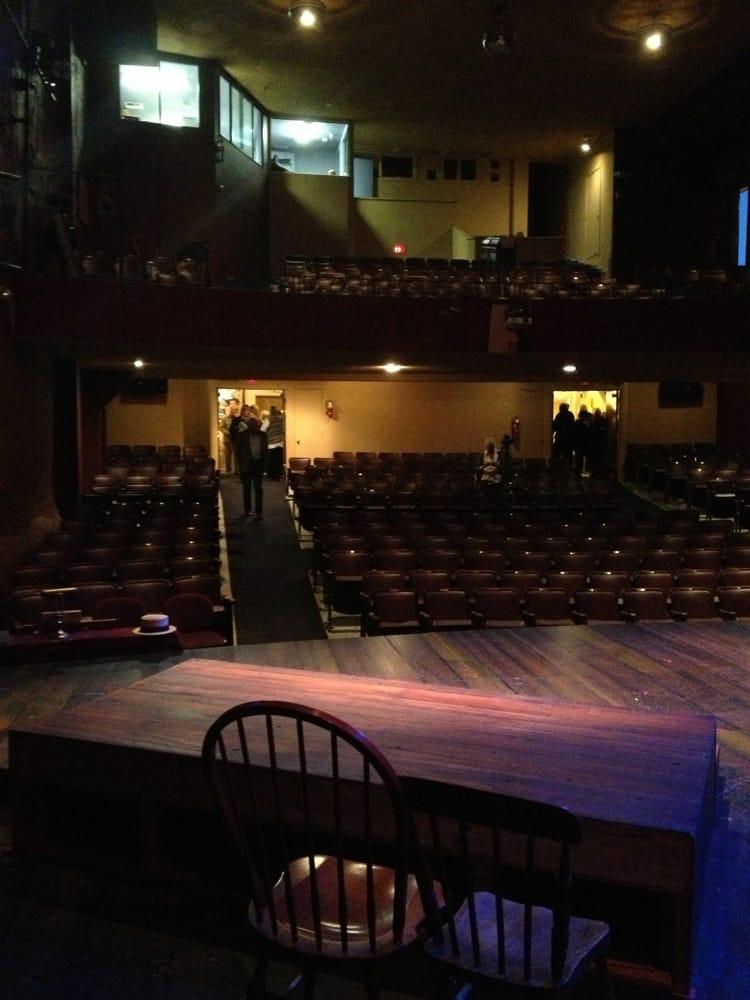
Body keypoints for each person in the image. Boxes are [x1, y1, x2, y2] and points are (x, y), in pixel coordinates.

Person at [230, 406, 268, 519]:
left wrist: (265, 466)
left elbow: (265, 451)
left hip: (258, 464)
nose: (253, 426)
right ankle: (247, 510)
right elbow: (237, 451)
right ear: (248, 426)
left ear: (257, 425)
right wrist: (239, 465)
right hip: (246, 464)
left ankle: (259, 511)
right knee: (246, 488)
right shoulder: (242, 435)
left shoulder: (263, 435)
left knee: (258, 489)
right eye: (251, 425)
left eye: (255, 424)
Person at [219, 397, 240, 474]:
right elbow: (221, 427)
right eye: (232, 409)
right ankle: (228, 470)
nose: (233, 411)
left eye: (235, 410)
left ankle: (237, 470)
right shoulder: (225, 418)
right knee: (228, 455)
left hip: (236, 439)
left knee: (236, 455)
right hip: (227, 439)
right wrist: (227, 432)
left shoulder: (238, 418)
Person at [266, 404, 285, 481]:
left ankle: (273, 476)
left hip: (272, 443)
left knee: (272, 460)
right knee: (279, 460)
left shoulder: (268, 419)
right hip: (280, 442)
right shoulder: (281, 419)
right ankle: (279, 475)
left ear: (270, 411)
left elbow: (262, 429)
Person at [573, 404, 591, 476]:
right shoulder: (585, 424)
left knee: (578, 458)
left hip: (578, 444)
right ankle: (583, 471)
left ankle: (578, 472)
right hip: (584, 443)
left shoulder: (577, 423)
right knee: (584, 458)